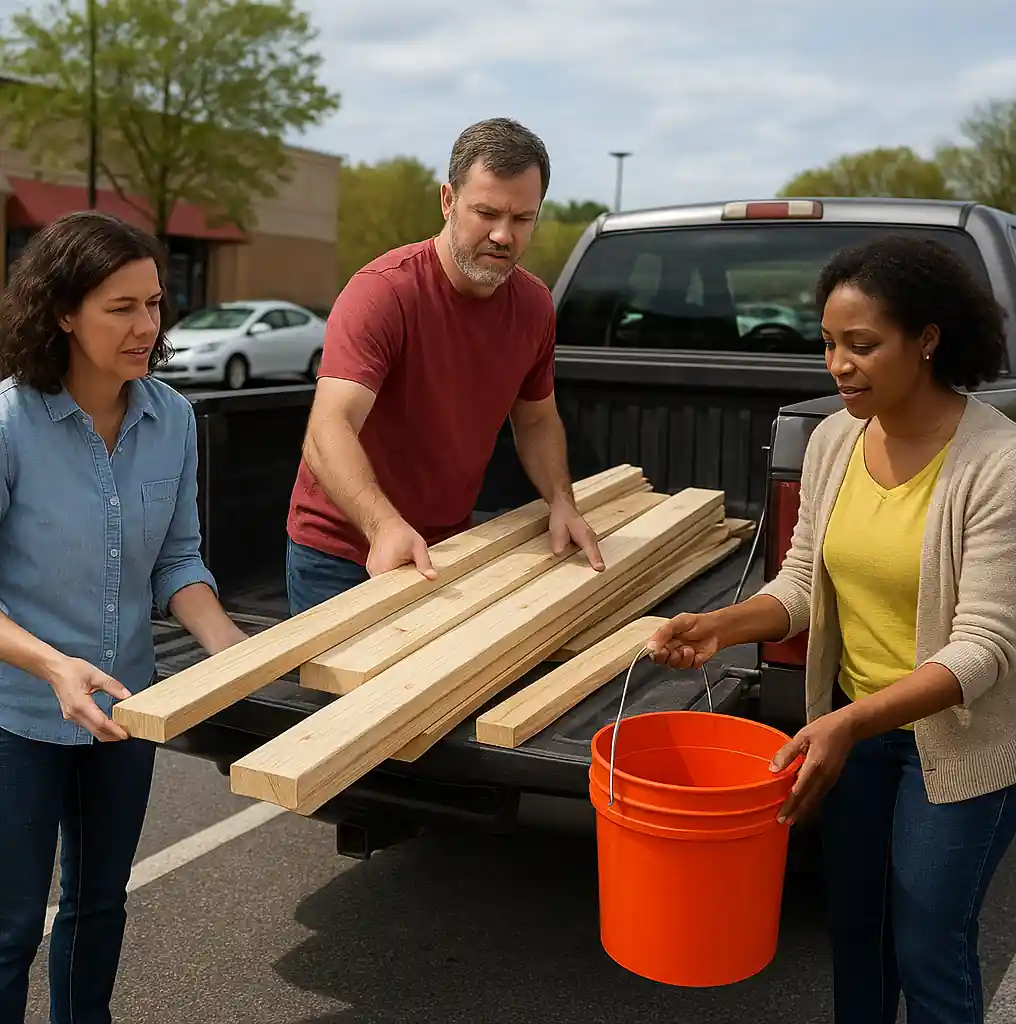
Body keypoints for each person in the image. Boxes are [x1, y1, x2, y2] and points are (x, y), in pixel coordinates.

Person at [648, 234, 1016, 1024]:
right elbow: (801, 582)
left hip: (960, 742)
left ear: (927, 339)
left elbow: (984, 649)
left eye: (863, 345)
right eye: (828, 344)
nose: (838, 365)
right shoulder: (833, 440)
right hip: (856, 728)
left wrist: (846, 723)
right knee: (858, 931)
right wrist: (721, 624)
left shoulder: (1001, 463)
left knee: (928, 945)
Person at [0, 211, 248, 1024]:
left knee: (99, 907)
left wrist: (226, 646)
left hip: (125, 713)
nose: (147, 326)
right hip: (20, 717)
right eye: (120, 308)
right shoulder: (9, 425)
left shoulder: (171, 419)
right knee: (9, 931)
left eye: (154, 303)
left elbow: (178, 560)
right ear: (63, 312)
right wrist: (51, 666)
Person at [285, 117, 604, 614]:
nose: (503, 235)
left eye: (523, 219)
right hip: (344, 554)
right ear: (448, 201)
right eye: (486, 213)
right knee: (355, 695)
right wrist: (382, 526)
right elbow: (329, 426)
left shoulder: (535, 305)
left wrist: (561, 501)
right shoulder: (384, 292)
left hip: (450, 547)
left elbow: (537, 420)